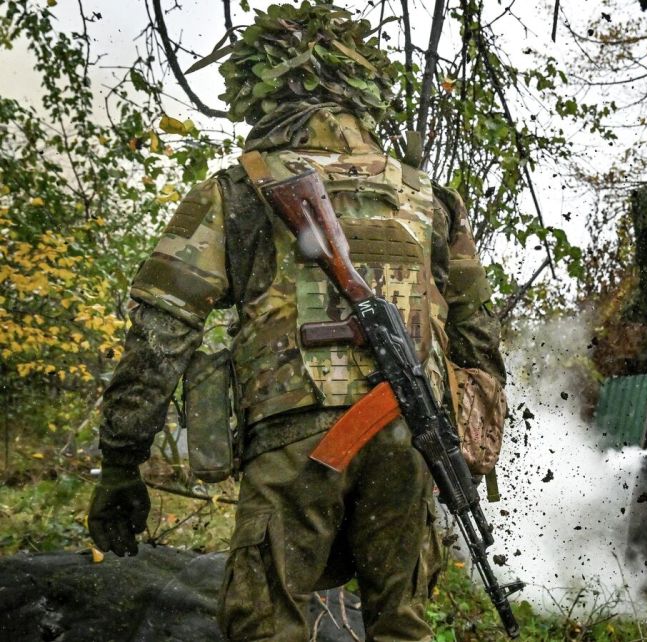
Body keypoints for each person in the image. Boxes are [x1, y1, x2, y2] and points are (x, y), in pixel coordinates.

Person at [86, 3, 506, 640]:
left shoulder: (237, 189)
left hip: (295, 440)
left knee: (268, 625)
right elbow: (477, 339)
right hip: (411, 439)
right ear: (364, 96)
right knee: (403, 626)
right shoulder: (428, 197)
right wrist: (470, 453)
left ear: (267, 91)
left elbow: (163, 330)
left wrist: (122, 463)